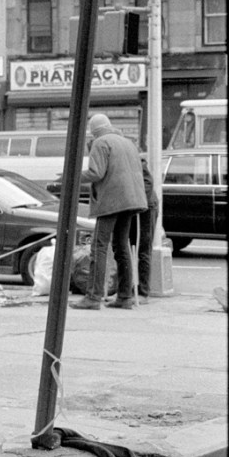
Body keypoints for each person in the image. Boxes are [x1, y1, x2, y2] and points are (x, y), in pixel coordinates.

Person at [72, 114, 147, 310]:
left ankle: (93, 297)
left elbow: (96, 173)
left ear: (94, 132)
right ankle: (125, 296)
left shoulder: (100, 142)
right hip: (132, 200)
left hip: (111, 201)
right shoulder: (127, 143)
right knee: (122, 247)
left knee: (99, 246)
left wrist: (71, 176)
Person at [136, 155, 159, 297]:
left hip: (146, 206)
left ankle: (143, 291)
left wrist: (136, 202)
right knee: (129, 247)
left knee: (143, 248)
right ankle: (129, 289)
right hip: (132, 206)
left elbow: (148, 184)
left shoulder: (137, 161)